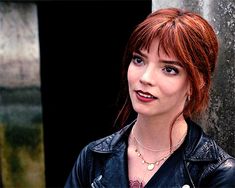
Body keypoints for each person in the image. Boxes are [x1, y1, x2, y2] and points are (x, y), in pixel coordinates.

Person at [65, 7, 235, 188]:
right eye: (139, 60)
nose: (145, 78)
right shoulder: (94, 159)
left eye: (169, 69)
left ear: (197, 82)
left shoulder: (217, 174)